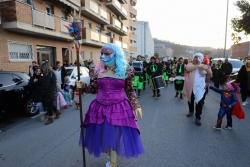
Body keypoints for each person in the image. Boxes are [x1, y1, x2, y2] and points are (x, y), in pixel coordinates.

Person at [77, 43, 144, 167]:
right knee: (104, 134)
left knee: (116, 136)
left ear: (116, 55)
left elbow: (130, 90)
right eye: (102, 53)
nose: (103, 56)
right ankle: (110, 154)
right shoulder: (96, 71)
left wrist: (136, 105)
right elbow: (93, 90)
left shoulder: (126, 71)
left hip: (119, 109)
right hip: (99, 108)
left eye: (107, 54)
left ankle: (114, 164)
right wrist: (83, 86)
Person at [183, 52, 212, 126]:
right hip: (190, 86)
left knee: (199, 102)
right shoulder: (190, 64)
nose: (196, 58)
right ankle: (191, 110)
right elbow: (188, 69)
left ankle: (198, 117)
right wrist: (197, 65)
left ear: (201, 58)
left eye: (198, 57)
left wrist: (206, 69)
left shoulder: (205, 66)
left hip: (200, 87)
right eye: (195, 57)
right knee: (190, 99)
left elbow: (210, 75)